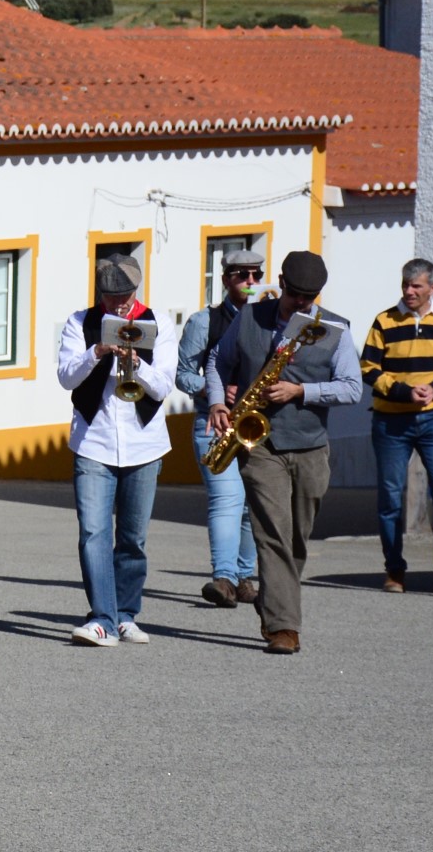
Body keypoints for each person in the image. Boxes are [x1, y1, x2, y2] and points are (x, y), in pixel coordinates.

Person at [207, 250, 360, 655]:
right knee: (272, 533)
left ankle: (276, 595)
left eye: (309, 297)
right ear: (282, 284)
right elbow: (217, 363)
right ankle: (283, 627)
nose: (301, 303)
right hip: (261, 446)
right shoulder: (249, 317)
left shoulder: (336, 329)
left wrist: (302, 391)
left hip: (311, 445)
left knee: (297, 537)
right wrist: (216, 400)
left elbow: (351, 388)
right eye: (294, 295)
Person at [57, 254, 177, 647]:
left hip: (144, 443)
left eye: (124, 298)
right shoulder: (80, 322)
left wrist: (135, 363)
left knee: (132, 538)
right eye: (110, 298)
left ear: (136, 291)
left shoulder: (158, 324)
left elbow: (161, 388)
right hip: (94, 440)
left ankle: (125, 614)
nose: (118, 306)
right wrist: (97, 352)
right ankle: (102, 619)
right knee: (93, 532)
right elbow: (65, 377)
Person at [362, 258, 433, 596]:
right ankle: (394, 571)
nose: (409, 291)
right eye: (406, 285)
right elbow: (368, 367)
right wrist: (403, 392)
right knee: (391, 498)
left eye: (417, 286)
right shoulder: (384, 320)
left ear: (432, 289)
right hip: (391, 421)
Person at [174, 248, 263, 608]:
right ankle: (223, 578)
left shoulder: (268, 320)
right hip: (214, 422)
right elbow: (181, 374)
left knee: (251, 504)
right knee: (228, 499)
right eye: (242, 275)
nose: (251, 282)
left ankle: (244, 577)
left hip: (257, 424)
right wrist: (212, 391)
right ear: (226, 280)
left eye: (256, 275)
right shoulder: (203, 322)